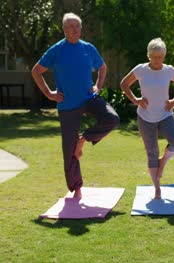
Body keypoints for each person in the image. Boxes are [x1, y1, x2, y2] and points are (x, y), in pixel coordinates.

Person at [31, 13, 120, 199]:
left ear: (81, 28)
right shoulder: (57, 50)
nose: (74, 30)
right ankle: (76, 188)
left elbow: (102, 67)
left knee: (112, 118)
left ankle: (84, 139)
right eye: (70, 27)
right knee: (68, 150)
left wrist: (98, 86)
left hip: (89, 98)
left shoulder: (88, 48)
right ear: (64, 29)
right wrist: (49, 93)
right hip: (67, 105)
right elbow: (36, 71)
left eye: (77, 26)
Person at [120, 38, 174, 199]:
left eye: (160, 57)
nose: (157, 60)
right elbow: (124, 84)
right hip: (145, 117)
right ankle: (157, 188)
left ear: (164, 56)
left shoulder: (168, 70)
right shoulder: (141, 69)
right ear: (149, 55)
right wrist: (136, 100)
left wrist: (173, 102)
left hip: (165, 115)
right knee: (152, 152)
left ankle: (163, 162)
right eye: (154, 56)